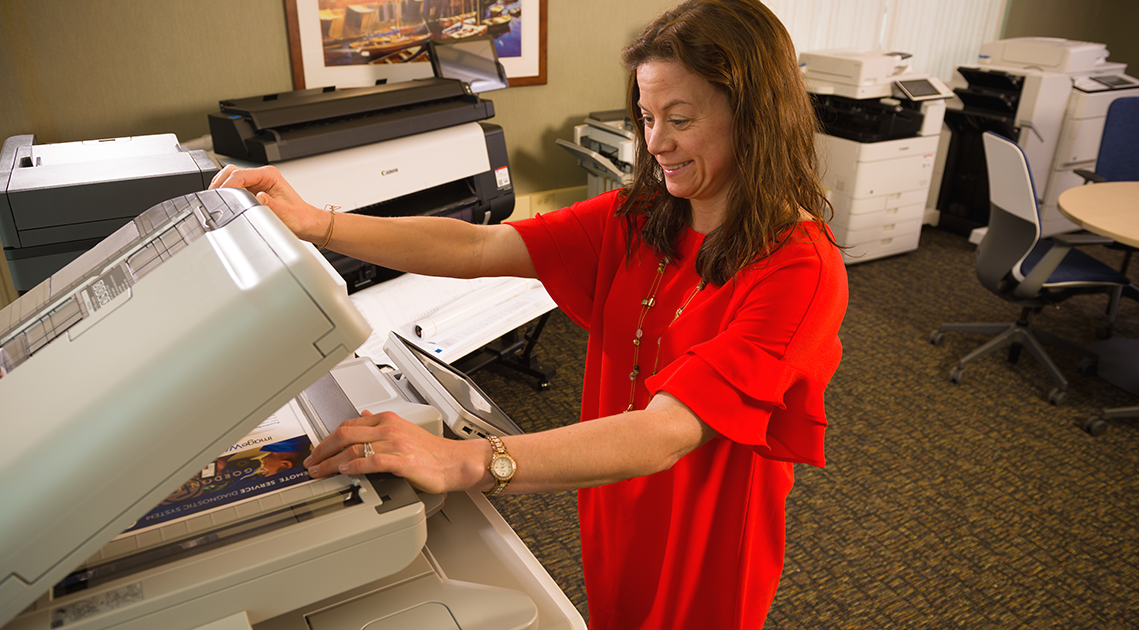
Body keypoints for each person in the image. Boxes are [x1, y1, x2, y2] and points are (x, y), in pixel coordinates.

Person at [210, 0, 847, 626]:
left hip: (700, 537)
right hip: (610, 491)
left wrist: (466, 459)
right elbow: (479, 244)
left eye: (679, 118)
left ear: (754, 117)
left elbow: (666, 432)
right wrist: (317, 222)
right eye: (648, 117)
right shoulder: (642, 218)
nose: (657, 143)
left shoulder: (799, 270)